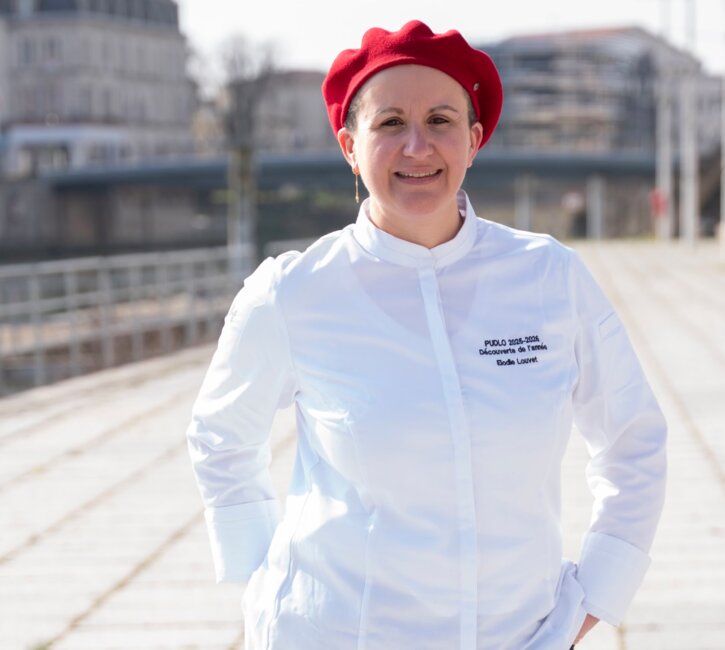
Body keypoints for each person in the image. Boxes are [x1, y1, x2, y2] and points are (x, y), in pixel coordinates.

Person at [186, 20, 666, 650]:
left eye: (440, 120)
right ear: (349, 147)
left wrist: (598, 593)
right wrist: (259, 581)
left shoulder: (549, 277)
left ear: (473, 139)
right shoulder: (294, 292)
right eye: (390, 123)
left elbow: (634, 440)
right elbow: (221, 437)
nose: (417, 146)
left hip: (517, 637)